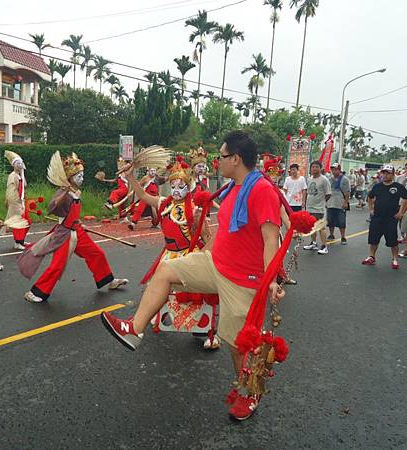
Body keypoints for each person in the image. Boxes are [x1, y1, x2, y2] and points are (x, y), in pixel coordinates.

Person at [101, 130, 285, 421]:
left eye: (221, 156)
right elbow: (225, 232)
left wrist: (271, 279)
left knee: (238, 347)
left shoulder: (262, 191)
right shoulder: (233, 188)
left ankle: (249, 394)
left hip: (243, 280)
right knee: (165, 271)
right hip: (215, 264)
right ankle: (134, 330)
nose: (217, 161)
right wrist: (198, 258)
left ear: (236, 159)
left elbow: (271, 239)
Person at [123, 157, 220, 350]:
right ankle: (157, 317)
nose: (176, 189)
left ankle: (207, 332)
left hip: (188, 255)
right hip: (168, 255)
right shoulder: (162, 203)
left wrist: (202, 259)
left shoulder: (195, 211)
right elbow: (142, 195)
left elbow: (208, 238)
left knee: (197, 294)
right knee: (158, 288)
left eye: (181, 185)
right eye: (173, 185)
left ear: (189, 187)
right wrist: (130, 176)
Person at [19, 152, 129, 303]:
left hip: (77, 230)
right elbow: (52, 207)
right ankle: (36, 292)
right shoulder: (64, 192)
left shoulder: (77, 192)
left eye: (82, 175)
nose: (82, 179)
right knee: (58, 265)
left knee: (97, 253)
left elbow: (73, 215)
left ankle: (108, 281)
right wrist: (63, 193)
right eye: (79, 176)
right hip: (64, 233)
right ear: (70, 177)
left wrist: (79, 223)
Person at [362, 165, 407, 269]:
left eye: (388, 173)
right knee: (373, 239)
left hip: (391, 218)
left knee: (392, 240)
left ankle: (394, 259)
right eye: (383, 173)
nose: (385, 175)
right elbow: (370, 198)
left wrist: (401, 212)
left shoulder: (398, 187)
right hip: (377, 217)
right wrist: (371, 209)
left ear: (393, 175)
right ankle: (372, 256)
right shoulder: (377, 186)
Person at [4, 150, 30, 251]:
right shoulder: (12, 176)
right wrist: (12, 202)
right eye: (17, 163)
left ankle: (21, 240)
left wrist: (22, 173)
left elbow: (25, 186)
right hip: (16, 202)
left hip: (22, 201)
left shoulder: (20, 175)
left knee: (27, 222)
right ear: (13, 165)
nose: (20, 165)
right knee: (19, 223)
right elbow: (11, 190)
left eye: (21, 163)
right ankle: (17, 242)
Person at [304, 160, 331, 254]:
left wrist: (322, 202)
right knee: (312, 227)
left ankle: (324, 246)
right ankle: (313, 243)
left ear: (320, 168)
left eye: (316, 167)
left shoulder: (324, 180)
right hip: (309, 207)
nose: (314, 168)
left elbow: (328, 194)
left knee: (321, 228)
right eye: (313, 167)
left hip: (319, 209)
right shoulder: (309, 179)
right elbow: (308, 192)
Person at [326, 163, 350, 244]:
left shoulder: (344, 179)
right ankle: (331, 234)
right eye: (332, 169)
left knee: (341, 221)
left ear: (339, 170)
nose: (333, 171)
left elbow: (347, 192)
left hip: (340, 203)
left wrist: (346, 202)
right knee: (330, 220)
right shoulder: (329, 179)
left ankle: (343, 237)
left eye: (335, 169)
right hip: (330, 203)